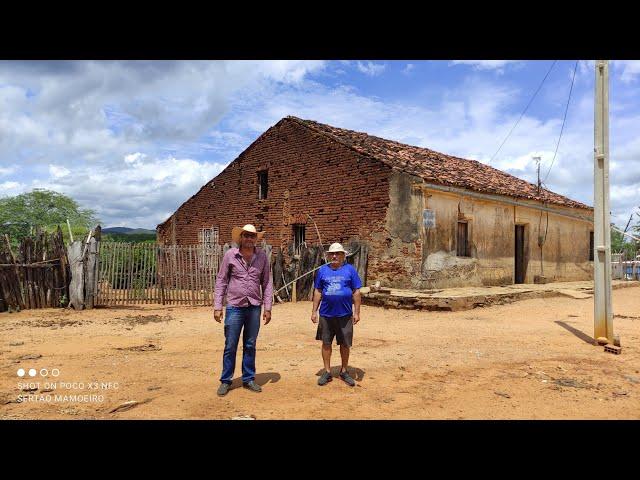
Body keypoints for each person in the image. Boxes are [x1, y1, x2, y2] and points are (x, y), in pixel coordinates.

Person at [214, 224, 273, 396]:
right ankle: (226, 380)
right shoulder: (230, 255)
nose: (249, 239)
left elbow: (267, 283)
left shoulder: (262, 257)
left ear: (256, 239)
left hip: (254, 306)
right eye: (246, 236)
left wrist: (268, 307)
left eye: (252, 236)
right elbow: (221, 280)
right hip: (234, 307)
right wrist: (218, 306)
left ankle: (248, 378)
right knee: (230, 345)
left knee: (250, 344)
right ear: (241, 238)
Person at [311, 242, 362, 387]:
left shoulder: (350, 270)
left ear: (343, 255)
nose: (334, 256)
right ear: (328, 256)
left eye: (338, 253)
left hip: (345, 315)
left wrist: (357, 312)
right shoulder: (322, 271)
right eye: (332, 254)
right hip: (326, 314)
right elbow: (318, 291)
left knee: (345, 344)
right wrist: (314, 311)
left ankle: (344, 371)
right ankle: (327, 372)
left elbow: (356, 292)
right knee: (326, 343)